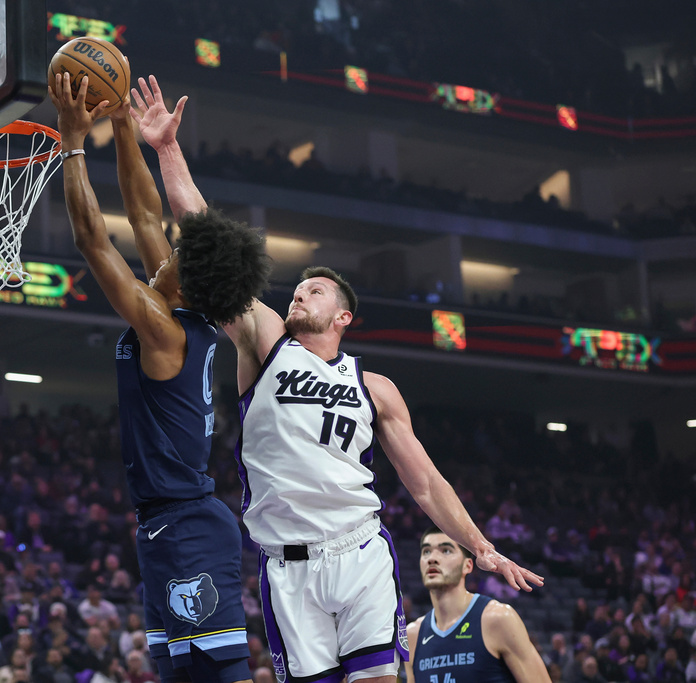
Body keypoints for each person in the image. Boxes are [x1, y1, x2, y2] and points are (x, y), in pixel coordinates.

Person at [130, 73, 543, 683]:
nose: (299, 294)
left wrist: (479, 544)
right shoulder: (265, 343)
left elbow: (424, 482)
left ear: (342, 316)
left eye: (313, 290)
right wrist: (166, 149)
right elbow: (208, 242)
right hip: (286, 565)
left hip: (359, 551)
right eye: (296, 288)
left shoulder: (376, 389)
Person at [49, 69, 270, 683]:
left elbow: (93, 241)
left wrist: (72, 141)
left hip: (188, 526)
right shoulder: (182, 307)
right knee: (173, 675)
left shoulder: (163, 326)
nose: (171, 245)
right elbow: (144, 214)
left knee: (212, 678)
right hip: (169, 522)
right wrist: (122, 123)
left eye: (182, 251)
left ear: (189, 275)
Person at [405, 528, 551, 682]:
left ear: (467, 566)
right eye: (426, 551)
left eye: (446, 550)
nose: (432, 559)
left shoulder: (498, 619)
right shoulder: (413, 635)